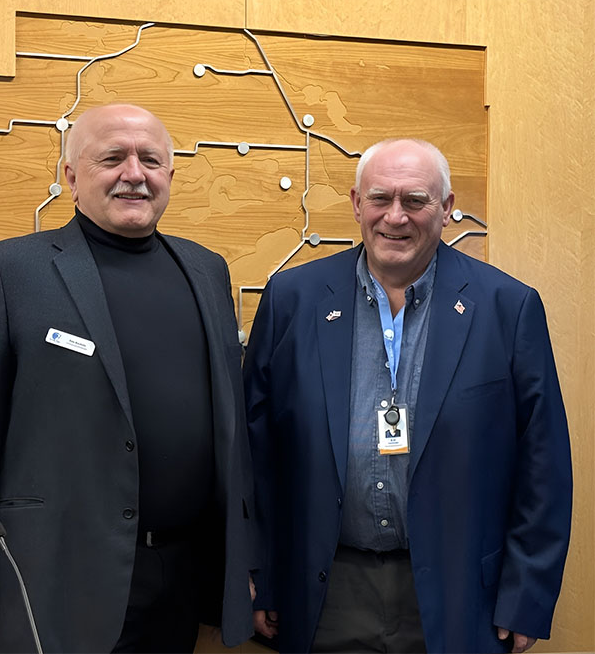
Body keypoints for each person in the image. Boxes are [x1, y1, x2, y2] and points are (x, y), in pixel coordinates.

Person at [0, 103, 256, 653]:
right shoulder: (9, 272)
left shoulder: (207, 270)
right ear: (71, 176)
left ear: (170, 174)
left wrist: (241, 562)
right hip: (57, 580)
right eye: (112, 158)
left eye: (151, 159)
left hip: (182, 577)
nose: (134, 173)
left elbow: (231, 431)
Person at [243, 138, 572, 654]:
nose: (395, 217)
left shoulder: (508, 307)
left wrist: (526, 596)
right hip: (325, 589)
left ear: (446, 207)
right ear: (357, 204)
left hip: (460, 596)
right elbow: (254, 451)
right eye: (380, 198)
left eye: (415, 200)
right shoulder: (292, 299)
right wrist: (259, 572)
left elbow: (543, 464)